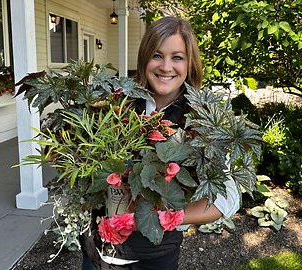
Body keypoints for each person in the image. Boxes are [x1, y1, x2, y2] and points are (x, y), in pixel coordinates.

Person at [81, 16, 240, 270]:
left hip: (153, 258)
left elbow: (226, 198)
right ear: (144, 58)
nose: (166, 66)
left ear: (189, 63)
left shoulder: (203, 120)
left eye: (177, 57)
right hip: (97, 251)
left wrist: (163, 215)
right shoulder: (117, 103)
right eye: (157, 55)